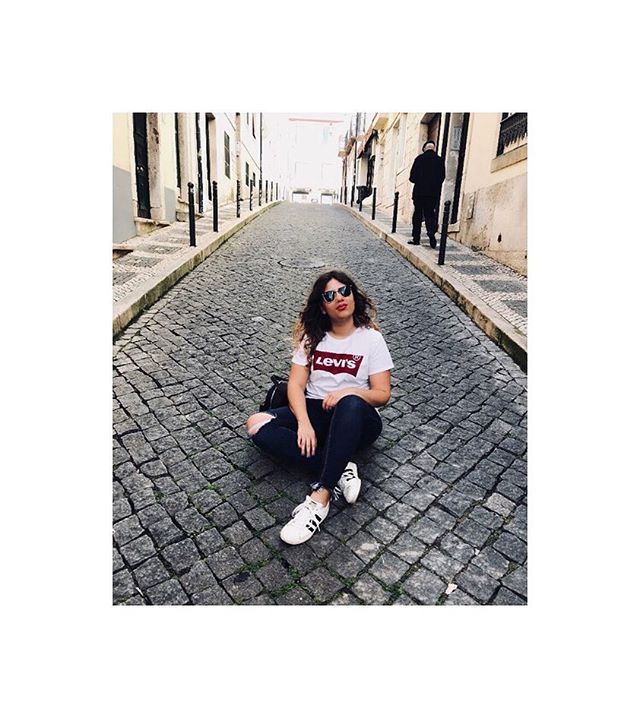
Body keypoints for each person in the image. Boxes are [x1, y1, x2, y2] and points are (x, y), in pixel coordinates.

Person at [245, 270, 394, 545]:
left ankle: (321, 496)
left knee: (350, 403)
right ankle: (340, 465)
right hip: (316, 410)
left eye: (345, 291)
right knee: (256, 424)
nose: (340, 298)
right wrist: (303, 423)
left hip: (357, 417)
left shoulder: (371, 339)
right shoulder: (312, 338)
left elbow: (382, 394)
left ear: (353, 295)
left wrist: (349, 391)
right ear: (323, 307)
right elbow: (295, 385)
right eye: (330, 295)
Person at [408, 139, 446, 248]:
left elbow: (412, 177)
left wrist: (420, 180)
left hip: (419, 193)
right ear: (434, 149)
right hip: (433, 194)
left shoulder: (419, 159)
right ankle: (431, 232)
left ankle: (416, 238)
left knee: (418, 215)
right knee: (430, 213)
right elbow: (442, 177)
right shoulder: (439, 160)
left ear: (424, 148)